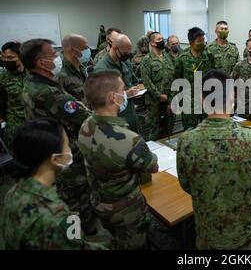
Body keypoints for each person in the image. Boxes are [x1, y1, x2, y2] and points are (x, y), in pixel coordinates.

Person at [176, 69, 251, 250]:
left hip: (208, 235)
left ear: (202, 100)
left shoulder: (187, 141)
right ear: (232, 97)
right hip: (246, 236)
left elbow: (187, 184)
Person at [20, 38, 96, 235]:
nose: (58, 57)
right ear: (41, 63)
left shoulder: (31, 82)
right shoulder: (50, 93)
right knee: (77, 198)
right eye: (53, 55)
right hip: (65, 156)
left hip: (48, 152)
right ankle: (85, 233)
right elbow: (85, 117)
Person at [79, 70, 159, 249]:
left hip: (99, 202)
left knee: (114, 239)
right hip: (127, 211)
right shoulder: (128, 139)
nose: (126, 92)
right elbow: (153, 166)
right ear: (112, 97)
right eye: (123, 89)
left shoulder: (86, 125)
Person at [0, 118, 106, 249]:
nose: (70, 149)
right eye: (67, 145)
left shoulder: (15, 191)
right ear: (55, 159)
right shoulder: (57, 217)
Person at [93, 34, 140, 132]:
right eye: (125, 53)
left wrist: (136, 90)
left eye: (129, 53)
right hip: (116, 119)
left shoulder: (125, 63)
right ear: (114, 48)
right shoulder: (102, 69)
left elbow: (133, 81)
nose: (127, 55)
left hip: (130, 113)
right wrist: (126, 94)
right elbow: (102, 100)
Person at [174, 27, 214, 130]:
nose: (202, 43)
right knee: (190, 132)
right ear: (191, 42)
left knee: (207, 131)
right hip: (189, 103)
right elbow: (176, 80)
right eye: (199, 41)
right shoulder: (182, 58)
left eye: (203, 40)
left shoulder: (209, 56)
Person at [140, 32, 175, 140]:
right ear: (152, 44)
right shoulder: (147, 60)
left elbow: (172, 77)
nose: (162, 41)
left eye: (162, 38)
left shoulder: (167, 57)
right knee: (154, 129)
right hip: (154, 101)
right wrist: (159, 95)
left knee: (169, 127)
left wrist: (171, 97)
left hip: (168, 98)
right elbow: (147, 81)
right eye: (159, 39)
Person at [0, 41, 27, 146]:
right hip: (15, 126)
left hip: (36, 122)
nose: (6, 60)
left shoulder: (33, 74)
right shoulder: (2, 78)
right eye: (4, 57)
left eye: (11, 57)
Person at [58, 34, 90, 102]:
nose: (88, 50)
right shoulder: (61, 75)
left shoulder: (81, 67)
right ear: (72, 50)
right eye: (85, 48)